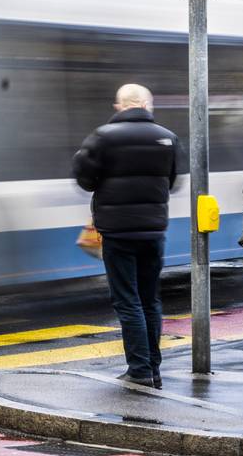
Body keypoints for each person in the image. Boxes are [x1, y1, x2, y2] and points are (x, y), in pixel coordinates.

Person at [72, 83, 179, 388]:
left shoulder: (102, 137)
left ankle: (139, 369)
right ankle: (153, 367)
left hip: (117, 231)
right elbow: (171, 182)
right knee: (150, 299)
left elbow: (85, 180)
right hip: (154, 230)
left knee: (127, 300)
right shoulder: (167, 138)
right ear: (147, 105)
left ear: (120, 106)